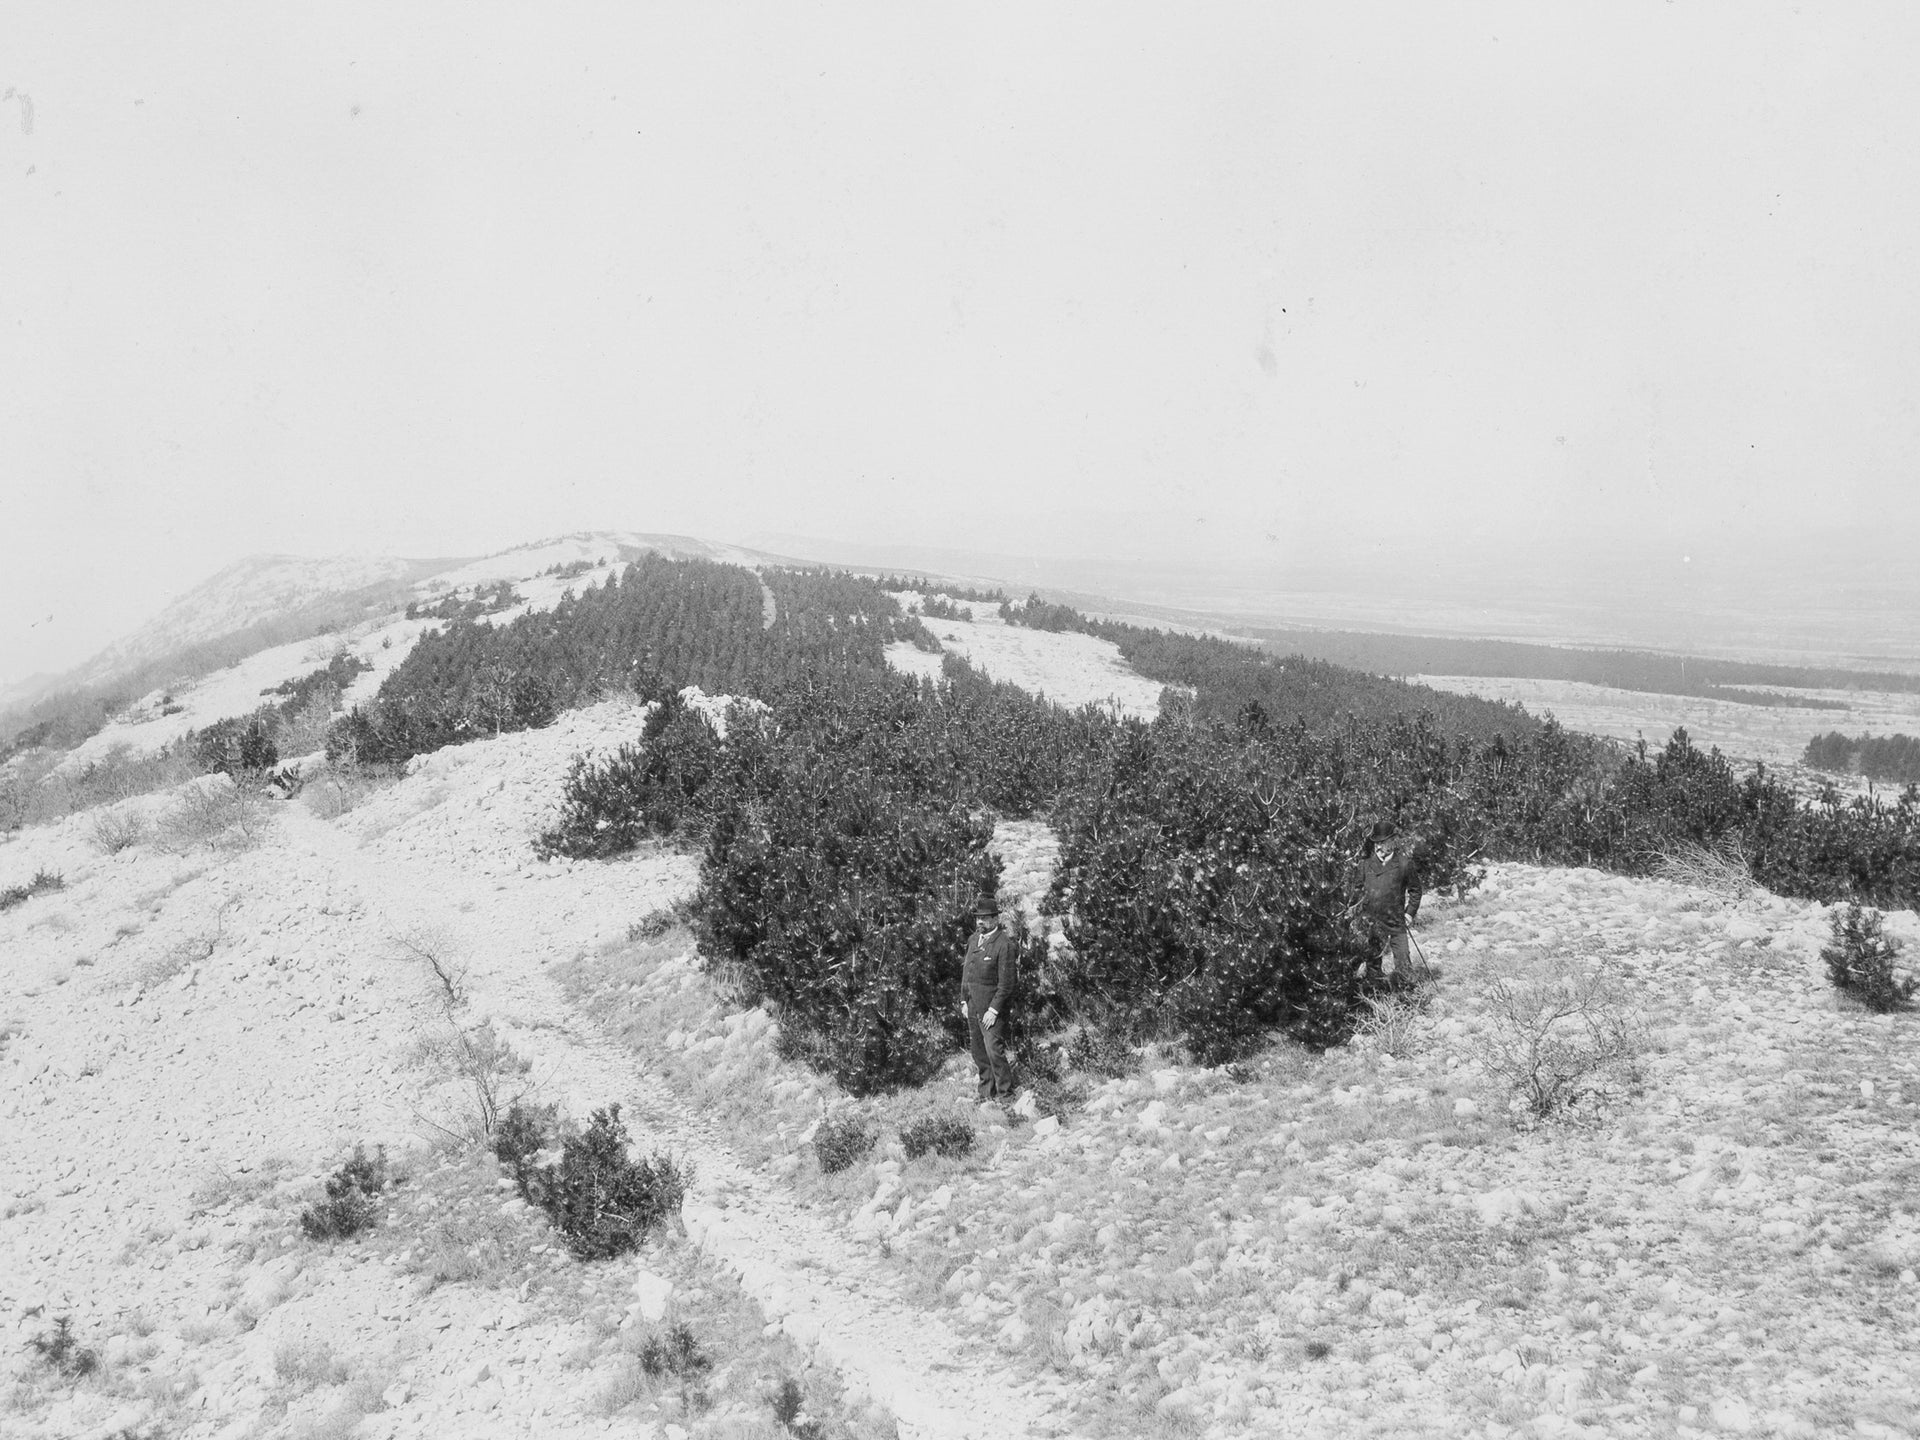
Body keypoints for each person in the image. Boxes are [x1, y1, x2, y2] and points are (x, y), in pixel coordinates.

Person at [958, 895, 1018, 1101]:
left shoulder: (1004, 944)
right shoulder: (973, 939)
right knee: (978, 1051)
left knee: (994, 1050)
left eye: (984, 918)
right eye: (978, 918)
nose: (980, 922)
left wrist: (994, 1010)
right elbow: (967, 972)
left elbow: (1007, 984)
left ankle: (1006, 1095)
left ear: (995, 919)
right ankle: (986, 1092)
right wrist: (964, 1001)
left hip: (992, 1009)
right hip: (973, 1005)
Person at [1354, 818, 1424, 984]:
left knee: (1403, 958)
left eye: (1383, 842)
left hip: (1396, 920)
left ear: (1393, 842)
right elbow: (1356, 891)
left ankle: (1406, 994)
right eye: (1376, 843)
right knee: (1372, 962)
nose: (1379, 846)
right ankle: (1377, 991)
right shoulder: (1364, 865)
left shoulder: (1404, 864)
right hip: (1372, 921)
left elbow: (1416, 891)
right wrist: (1358, 915)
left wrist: (1409, 914)